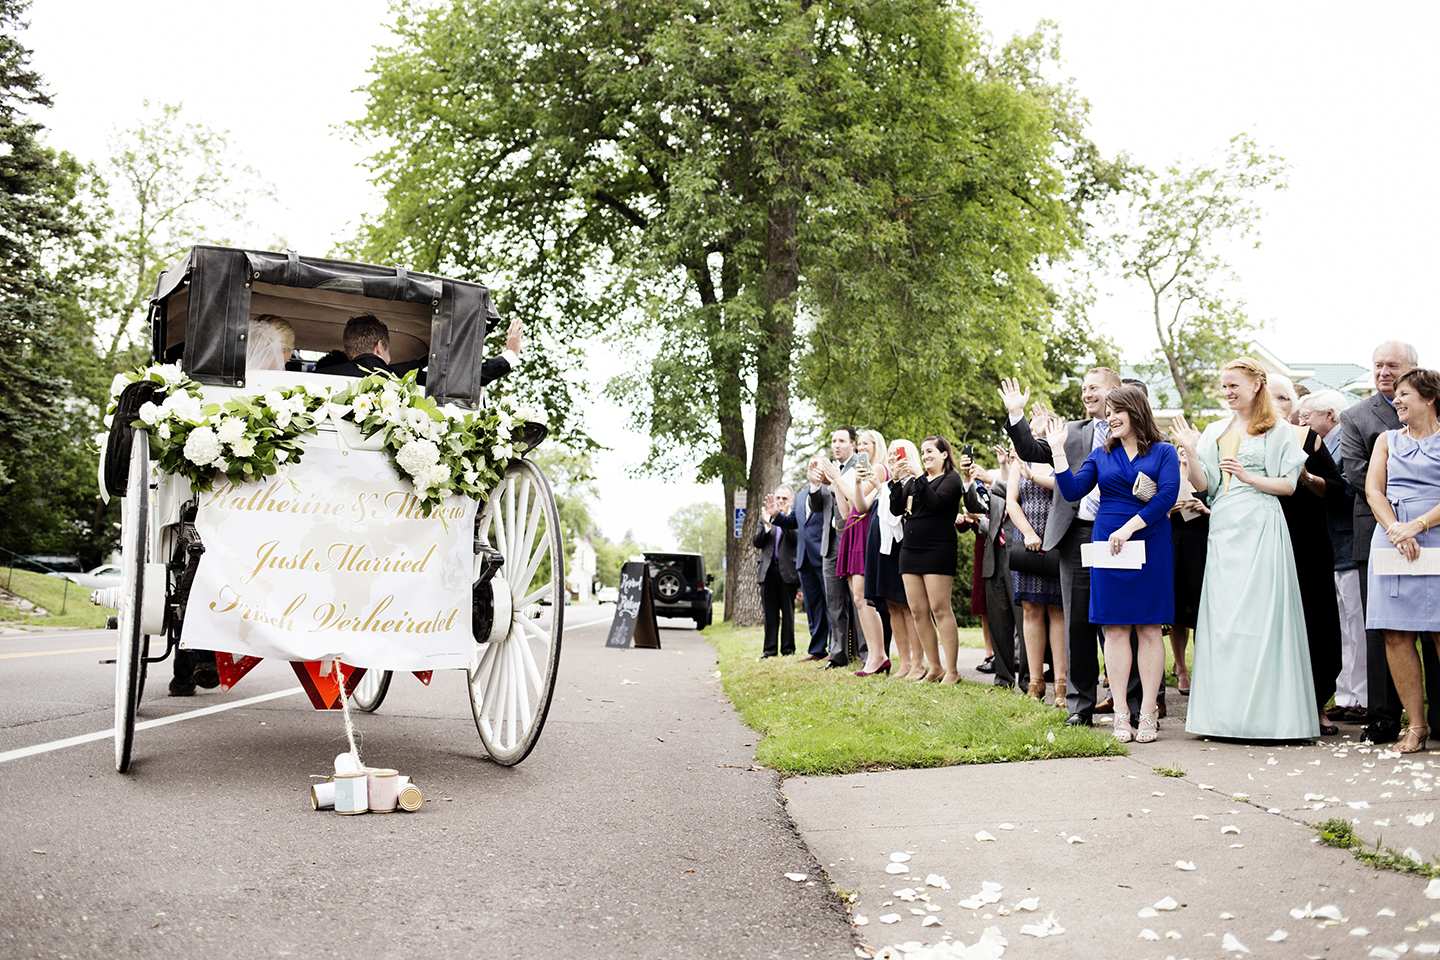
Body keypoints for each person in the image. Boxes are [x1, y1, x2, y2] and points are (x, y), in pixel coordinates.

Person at [1172, 357, 1319, 741]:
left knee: (1262, 619)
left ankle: (1271, 719)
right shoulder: (1214, 430)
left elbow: (1288, 486)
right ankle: (1223, 717)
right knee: (1226, 623)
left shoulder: (1279, 430)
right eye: (1223, 386)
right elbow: (1206, 485)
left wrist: (1248, 475)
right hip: (1223, 529)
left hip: (1262, 527)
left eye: (1233, 384)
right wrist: (1189, 454)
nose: (1227, 392)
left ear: (1257, 385)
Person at [999, 367, 1130, 727]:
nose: (1086, 394)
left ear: (1115, 391)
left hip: (1125, 535)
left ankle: (1132, 703)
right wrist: (1016, 414)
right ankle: (1080, 706)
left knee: (1124, 621)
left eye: (1094, 388)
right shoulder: (1071, 431)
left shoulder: (1137, 433)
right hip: (1077, 535)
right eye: (1083, 388)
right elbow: (1028, 449)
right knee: (1077, 623)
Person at [1051, 385, 1180, 742]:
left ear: (1135, 410)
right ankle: (1121, 712)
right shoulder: (1101, 455)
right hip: (1110, 543)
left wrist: (1130, 527)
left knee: (1150, 628)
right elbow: (1073, 491)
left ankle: (1149, 712)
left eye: (1115, 411)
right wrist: (1058, 452)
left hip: (1149, 540)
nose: (1109, 418)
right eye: (1107, 413)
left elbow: (1167, 495)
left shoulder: (1164, 452)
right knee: (1116, 628)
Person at [1341, 340, 1440, 745]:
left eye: (1404, 395)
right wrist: (1395, 529)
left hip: (1433, 535)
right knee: (1396, 634)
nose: (1395, 401)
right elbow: (1373, 490)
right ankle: (1416, 725)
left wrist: (1416, 525)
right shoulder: (1386, 440)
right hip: (1391, 538)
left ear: (1430, 399)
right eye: (1394, 396)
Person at [1269, 375, 1345, 736]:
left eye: (1284, 398)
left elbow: (1339, 490)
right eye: (1268, 396)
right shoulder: (1236, 438)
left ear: (1295, 408)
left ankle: (1315, 703)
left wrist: (1306, 478)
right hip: (1259, 541)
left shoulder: (1307, 440)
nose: (1275, 403)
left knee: (1318, 624)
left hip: (1309, 543)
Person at [1299, 390, 1368, 723]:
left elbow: (1346, 486)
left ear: (1329, 414)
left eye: (1307, 415)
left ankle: (1362, 696)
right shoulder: (1316, 441)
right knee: (1341, 624)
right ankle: (1343, 695)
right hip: (1326, 544)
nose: (1302, 422)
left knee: (1356, 623)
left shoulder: (1343, 441)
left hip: (1346, 541)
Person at [888, 436, 965, 684]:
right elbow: (896, 509)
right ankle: (935, 667)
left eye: (930, 451)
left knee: (940, 608)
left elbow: (934, 503)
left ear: (944, 454)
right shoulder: (914, 482)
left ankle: (952, 671)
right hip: (911, 549)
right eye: (922, 452)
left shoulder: (952, 479)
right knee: (918, 610)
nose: (925, 455)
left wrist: (919, 476)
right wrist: (897, 481)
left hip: (938, 548)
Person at [1006, 426, 1067, 708]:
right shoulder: (1021, 459)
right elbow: (1011, 502)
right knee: (1031, 609)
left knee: (1058, 610)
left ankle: (1062, 685)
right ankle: (1035, 681)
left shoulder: (1062, 456)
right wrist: (1028, 533)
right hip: (1027, 536)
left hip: (1058, 537)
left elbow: (1071, 491)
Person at [321, 313, 523, 387]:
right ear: (379, 346)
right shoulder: (399, 377)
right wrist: (510, 355)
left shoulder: (321, 376)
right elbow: (461, 381)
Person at [832, 429, 890, 676]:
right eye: (860, 445)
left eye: (866, 444)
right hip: (853, 528)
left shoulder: (879, 469)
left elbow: (860, 504)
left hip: (867, 530)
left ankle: (878, 655)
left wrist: (839, 478)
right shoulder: (858, 472)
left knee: (865, 598)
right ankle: (876, 656)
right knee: (857, 598)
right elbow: (845, 512)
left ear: (877, 445)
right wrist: (837, 481)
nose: (861, 449)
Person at [963, 446, 1022, 689]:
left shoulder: (1030, 476)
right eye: (1010, 449)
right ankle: (1003, 679)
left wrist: (993, 478)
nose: (1011, 453)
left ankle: (1029, 681)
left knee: (1023, 622)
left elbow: (1015, 494)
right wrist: (968, 479)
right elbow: (975, 508)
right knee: (998, 622)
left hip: (1018, 556)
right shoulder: (996, 482)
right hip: (994, 557)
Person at [868, 438, 922, 679]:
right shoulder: (887, 484)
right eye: (888, 453)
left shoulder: (913, 482)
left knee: (909, 606)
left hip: (905, 548)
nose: (891, 457)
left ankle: (920, 662)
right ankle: (905, 662)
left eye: (896, 453)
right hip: (885, 549)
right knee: (892, 605)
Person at [809, 428, 861, 668]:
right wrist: (814, 485)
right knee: (835, 602)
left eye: (841, 440)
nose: (836, 445)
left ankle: (866, 653)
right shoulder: (830, 470)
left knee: (859, 600)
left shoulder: (859, 466)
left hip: (852, 541)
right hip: (829, 545)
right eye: (833, 441)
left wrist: (836, 481)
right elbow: (818, 507)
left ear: (853, 444)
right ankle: (839, 654)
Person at [770, 466, 832, 662]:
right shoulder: (800, 495)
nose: (814, 470)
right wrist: (776, 516)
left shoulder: (829, 491)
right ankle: (817, 649)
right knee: (813, 607)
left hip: (823, 556)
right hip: (804, 559)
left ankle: (835, 649)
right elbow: (793, 522)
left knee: (830, 605)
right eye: (811, 466)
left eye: (818, 466)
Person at [1167, 445, 1210, 698]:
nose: (1182, 452)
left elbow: (1220, 504)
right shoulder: (1168, 473)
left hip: (1200, 545)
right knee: (1177, 610)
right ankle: (1181, 668)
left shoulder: (1203, 474)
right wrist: (1168, 509)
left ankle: (1204, 668)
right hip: (1173, 542)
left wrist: (1204, 509)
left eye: (1187, 448)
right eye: (1179, 448)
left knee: (1200, 608)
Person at [754, 486, 800, 659]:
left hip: (788, 570)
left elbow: (795, 538)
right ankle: (769, 650)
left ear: (791, 502)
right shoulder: (764, 518)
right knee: (770, 613)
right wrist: (767, 526)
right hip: (768, 570)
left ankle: (788, 650)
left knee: (788, 613)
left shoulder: (795, 519)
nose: (780, 501)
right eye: (778, 498)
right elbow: (757, 542)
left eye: (784, 499)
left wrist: (779, 519)